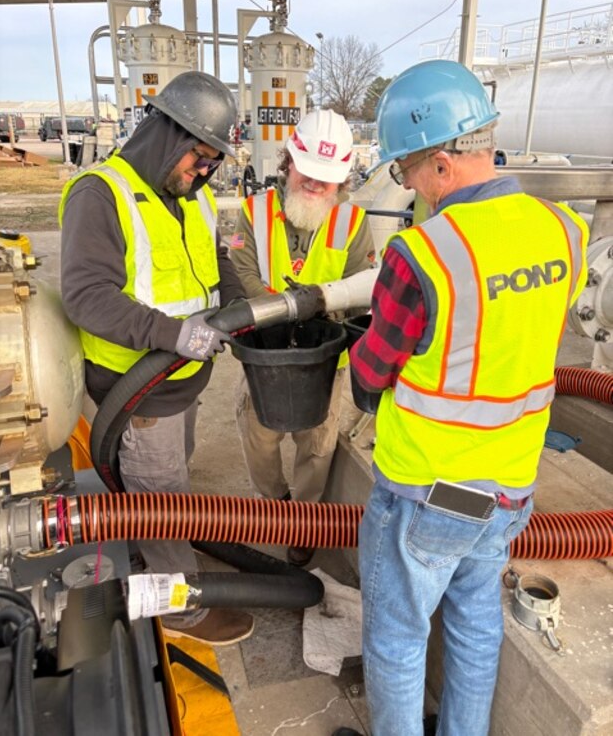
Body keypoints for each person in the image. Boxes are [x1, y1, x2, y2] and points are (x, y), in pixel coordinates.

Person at [349, 60, 588, 735]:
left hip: (429, 490)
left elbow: (374, 371)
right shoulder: (563, 230)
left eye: (406, 170)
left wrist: (358, 365)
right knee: (474, 623)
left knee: (396, 639)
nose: (407, 185)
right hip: (508, 489)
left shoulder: (423, 252)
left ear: (443, 165)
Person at [59, 70, 254, 647]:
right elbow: (87, 295)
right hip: (136, 389)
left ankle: (156, 552)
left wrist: (242, 311)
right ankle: (180, 609)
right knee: (160, 495)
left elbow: (215, 265)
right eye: (199, 157)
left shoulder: (187, 195)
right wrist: (170, 334)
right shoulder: (102, 193)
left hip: (180, 383)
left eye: (214, 163)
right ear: (166, 132)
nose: (204, 172)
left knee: (165, 481)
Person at [230, 109, 376, 567]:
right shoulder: (254, 213)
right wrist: (281, 310)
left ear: (343, 181)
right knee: (260, 438)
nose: (314, 186)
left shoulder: (353, 223)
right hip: (265, 354)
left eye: (325, 180)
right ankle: (276, 504)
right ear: (288, 162)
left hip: (322, 355)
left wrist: (318, 307)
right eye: (307, 173)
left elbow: (361, 285)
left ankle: (304, 520)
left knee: (317, 442)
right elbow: (241, 271)